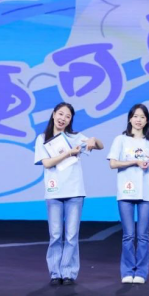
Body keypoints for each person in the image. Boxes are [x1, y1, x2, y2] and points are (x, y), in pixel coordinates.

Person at [34, 102, 104, 287]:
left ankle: (68, 273)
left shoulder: (75, 137)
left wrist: (93, 140)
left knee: (72, 235)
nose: (63, 118)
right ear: (53, 114)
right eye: (60, 114)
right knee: (56, 235)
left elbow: (100, 146)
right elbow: (47, 163)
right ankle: (55, 273)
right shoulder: (42, 138)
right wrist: (68, 153)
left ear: (70, 120)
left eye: (67, 116)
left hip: (75, 192)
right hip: (54, 192)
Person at [107, 104, 149, 284]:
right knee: (128, 235)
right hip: (125, 192)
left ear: (146, 121)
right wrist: (134, 162)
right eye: (135, 116)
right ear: (130, 119)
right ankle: (127, 271)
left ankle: (141, 272)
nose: (138, 120)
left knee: (143, 235)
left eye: (142, 117)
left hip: (146, 193)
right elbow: (113, 163)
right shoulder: (121, 140)